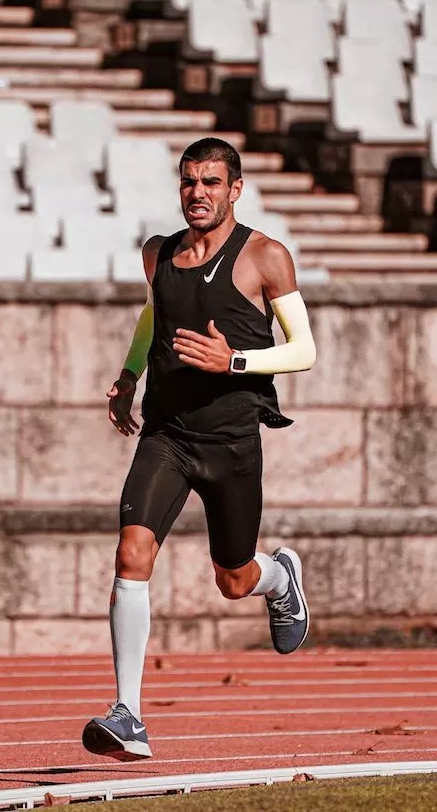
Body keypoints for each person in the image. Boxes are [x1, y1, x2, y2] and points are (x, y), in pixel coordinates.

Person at [81, 137, 319, 763]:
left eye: (211, 182)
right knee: (131, 552)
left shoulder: (266, 257)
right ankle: (128, 714)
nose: (198, 193)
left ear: (235, 189)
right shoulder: (157, 254)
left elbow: (304, 350)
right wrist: (129, 375)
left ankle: (279, 577)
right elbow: (153, 316)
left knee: (233, 580)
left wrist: (233, 360)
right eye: (189, 181)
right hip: (168, 435)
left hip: (231, 441)